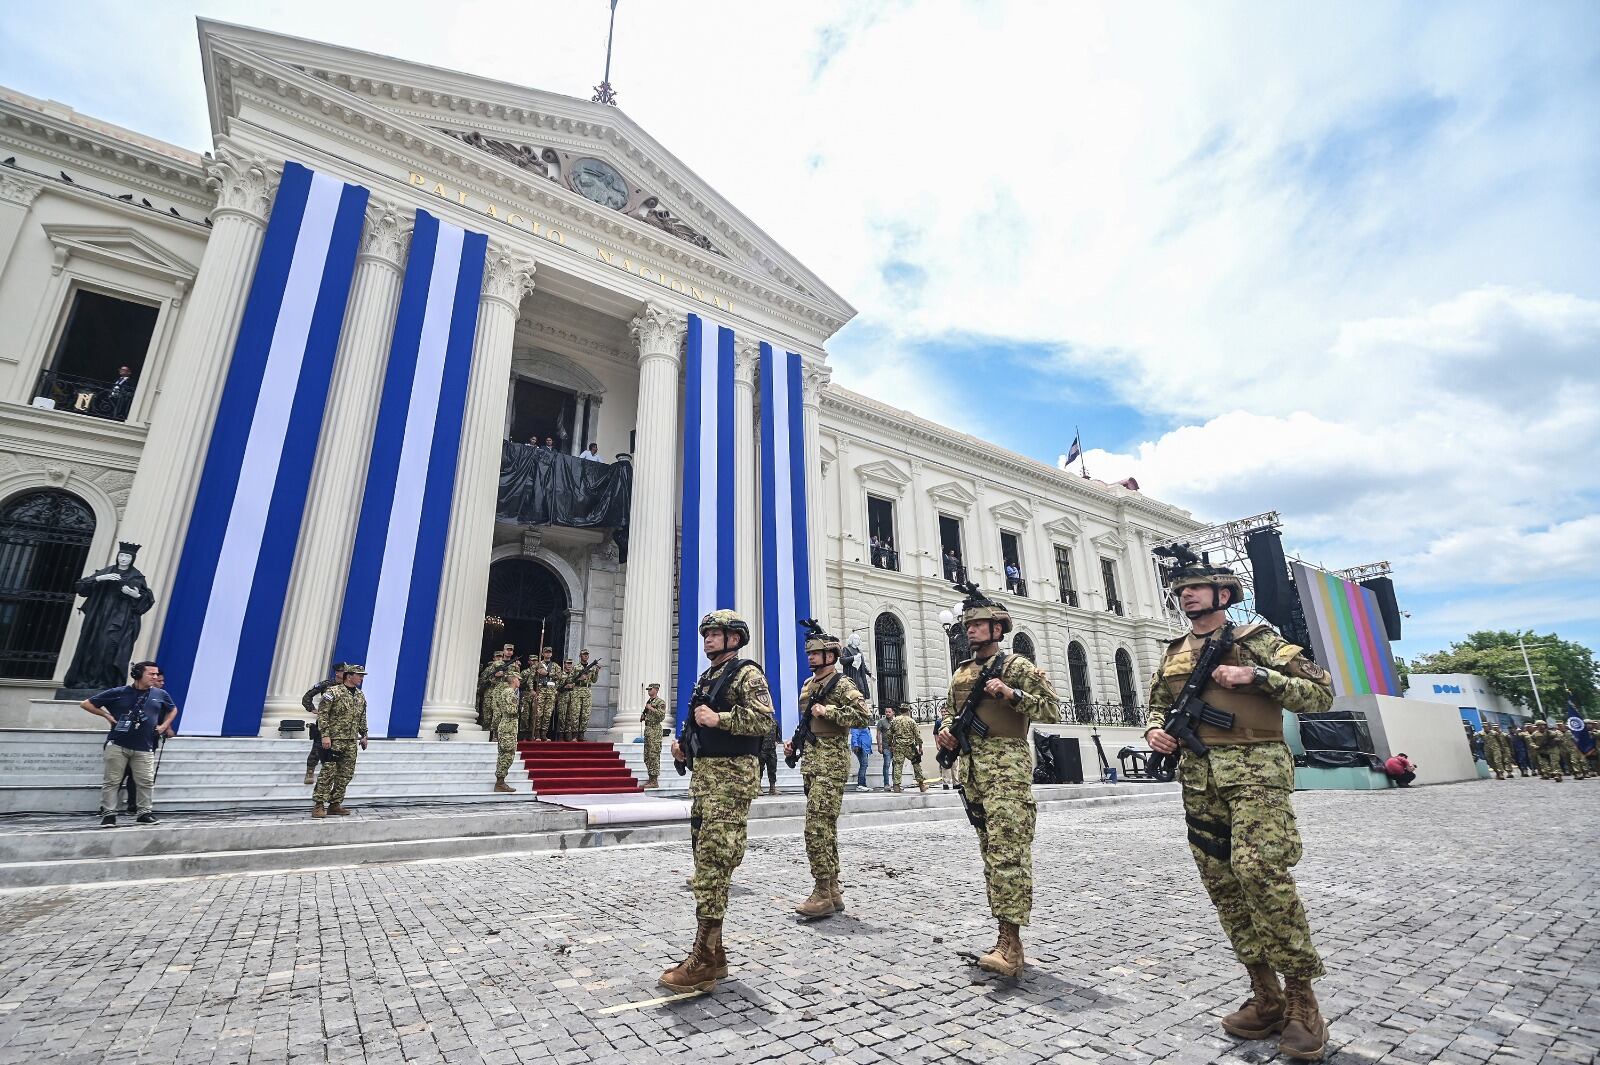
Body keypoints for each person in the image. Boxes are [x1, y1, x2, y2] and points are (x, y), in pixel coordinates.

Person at [1143, 547, 1333, 1061]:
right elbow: (1159, 705)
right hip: (1199, 778)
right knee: (1223, 882)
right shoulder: (1174, 650)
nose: (1186, 593)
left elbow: (1321, 693)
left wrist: (1259, 677)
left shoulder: (1257, 640)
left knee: (1259, 870)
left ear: (1224, 594)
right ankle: (1265, 993)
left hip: (1255, 771)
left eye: (1197, 586)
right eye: (1182, 588)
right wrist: (1155, 730)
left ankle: (1302, 998)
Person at [934, 582, 1060, 979]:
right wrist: (943, 729)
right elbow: (946, 710)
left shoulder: (1016, 666)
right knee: (991, 854)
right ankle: (1003, 936)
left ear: (998, 629)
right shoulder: (962, 673)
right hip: (972, 772)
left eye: (980, 624)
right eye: (968, 625)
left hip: (1006, 770)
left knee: (1008, 854)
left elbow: (1053, 710)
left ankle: (1012, 944)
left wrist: (1011, 694)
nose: (970, 630)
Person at [660, 610, 774, 993]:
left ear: (734, 638)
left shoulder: (747, 674)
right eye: (705, 633)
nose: (707, 639)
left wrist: (720, 719)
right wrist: (684, 750)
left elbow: (765, 722)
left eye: (716, 634)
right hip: (705, 779)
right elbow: (699, 723)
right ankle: (717, 952)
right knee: (703, 858)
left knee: (713, 863)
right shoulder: (708, 677)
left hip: (731, 780)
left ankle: (703, 961)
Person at [787, 621, 873, 918]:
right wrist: (794, 743)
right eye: (809, 653)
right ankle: (833, 890)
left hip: (831, 762)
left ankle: (822, 889)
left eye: (817, 653)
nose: (811, 657)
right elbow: (808, 721)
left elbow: (864, 715)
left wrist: (830, 711)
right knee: (825, 828)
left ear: (832, 655)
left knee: (816, 827)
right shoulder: (810, 685)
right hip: (811, 761)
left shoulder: (843, 684)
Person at [81, 660, 176, 827]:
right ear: (138, 675)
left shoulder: (160, 694)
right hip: (118, 744)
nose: (155, 677)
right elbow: (86, 704)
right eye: (151, 674)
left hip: (145, 746)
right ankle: (109, 814)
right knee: (112, 780)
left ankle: (144, 812)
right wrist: (107, 716)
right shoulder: (118, 692)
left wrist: (164, 726)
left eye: (156, 674)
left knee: (145, 781)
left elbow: (173, 709)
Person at [63, 541, 155, 691]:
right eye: (122, 555)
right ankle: (84, 681)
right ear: (118, 557)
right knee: (91, 647)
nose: (124, 559)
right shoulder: (106, 572)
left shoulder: (136, 576)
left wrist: (133, 594)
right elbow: (81, 587)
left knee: (109, 648)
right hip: (98, 618)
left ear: (132, 559)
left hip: (120, 621)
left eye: (127, 556)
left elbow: (146, 599)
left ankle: (106, 682)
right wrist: (100, 578)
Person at [312, 664, 369, 817]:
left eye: (362, 675)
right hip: (334, 739)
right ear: (349, 676)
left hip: (350, 741)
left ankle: (335, 804)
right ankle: (318, 805)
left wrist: (364, 735)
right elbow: (323, 715)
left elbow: (362, 716)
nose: (361, 678)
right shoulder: (333, 692)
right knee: (328, 772)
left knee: (346, 774)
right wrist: (325, 735)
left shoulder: (359, 695)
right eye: (359, 675)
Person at [299, 663, 347, 786]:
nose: (346, 673)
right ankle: (310, 771)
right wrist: (313, 709)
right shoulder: (326, 684)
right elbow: (307, 697)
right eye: (343, 671)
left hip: (340, 724)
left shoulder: (348, 687)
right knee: (317, 747)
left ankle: (330, 774)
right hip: (325, 721)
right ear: (337, 672)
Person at [487, 667, 522, 793]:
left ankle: (500, 781)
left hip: (508, 725)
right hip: (508, 726)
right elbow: (511, 710)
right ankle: (500, 782)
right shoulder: (509, 692)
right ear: (513, 680)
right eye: (518, 679)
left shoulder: (508, 692)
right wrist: (520, 708)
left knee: (505, 754)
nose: (519, 682)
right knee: (507, 754)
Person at [888, 705, 927, 793]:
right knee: (916, 764)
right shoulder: (911, 721)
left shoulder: (894, 720)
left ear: (900, 711)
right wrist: (920, 747)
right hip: (910, 747)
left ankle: (896, 786)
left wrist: (890, 745)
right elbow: (918, 736)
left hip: (898, 746)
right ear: (908, 711)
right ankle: (921, 785)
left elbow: (889, 734)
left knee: (898, 765)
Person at [641, 682, 667, 788]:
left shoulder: (660, 702)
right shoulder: (649, 701)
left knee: (654, 755)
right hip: (648, 730)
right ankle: (650, 778)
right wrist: (643, 715)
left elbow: (661, 716)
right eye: (648, 689)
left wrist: (651, 708)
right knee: (647, 756)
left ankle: (654, 780)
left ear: (656, 689)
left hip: (655, 730)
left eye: (650, 689)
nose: (648, 691)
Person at [570, 650, 600, 740]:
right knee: (575, 713)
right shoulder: (575, 667)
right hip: (577, 690)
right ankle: (574, 735)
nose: (586, 656)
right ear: (580, 656)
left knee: (585, 714)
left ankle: (581, 735)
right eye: (584, 655)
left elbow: (594, 680)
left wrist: (597, 671)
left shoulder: (592, 668)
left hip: (587, 690)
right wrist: (579, 678)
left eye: (587, 655)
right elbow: (570, 680)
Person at [534, 648, 561, 741]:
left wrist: (548, 673)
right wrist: (531, 690)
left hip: (551, 692)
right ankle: (537, 734)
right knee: (538, 713)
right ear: (543, 653)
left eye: (549, 652)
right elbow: (531, 678)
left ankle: (544, 734)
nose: (548, 654)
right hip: (541, 690)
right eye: (546, 652)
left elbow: (559, 676)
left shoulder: (555, 666)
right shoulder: (538, 665)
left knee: (548, 714)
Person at [759, 714, 780, 796]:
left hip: (772, 750)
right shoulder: (760, 722)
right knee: (760, 769)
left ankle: (772, 788)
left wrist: (777, 741)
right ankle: (758, 787)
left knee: (772, 769)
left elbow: (778, 733)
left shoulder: (775, 722)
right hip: (761, 750)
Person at [849, 722, 873, 791]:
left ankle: (863, 785)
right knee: (864, 765)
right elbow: (854, 734)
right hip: (860, 747)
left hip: (864, 747)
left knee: (864, 765)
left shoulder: (864, 725)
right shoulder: (857, 724)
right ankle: (860, 785)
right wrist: (856, 745)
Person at [876, 707, 893, 789]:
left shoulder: (896, 721)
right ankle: (886, 784)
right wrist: (879, 746)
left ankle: (896, 784)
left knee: (896, 766)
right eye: (886, 712)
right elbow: (878, 734)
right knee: (886, 765)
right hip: (886, 747)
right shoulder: (881, 722)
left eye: (889, 712)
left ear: (893, 712)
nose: (887, 713)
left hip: (896, 747)